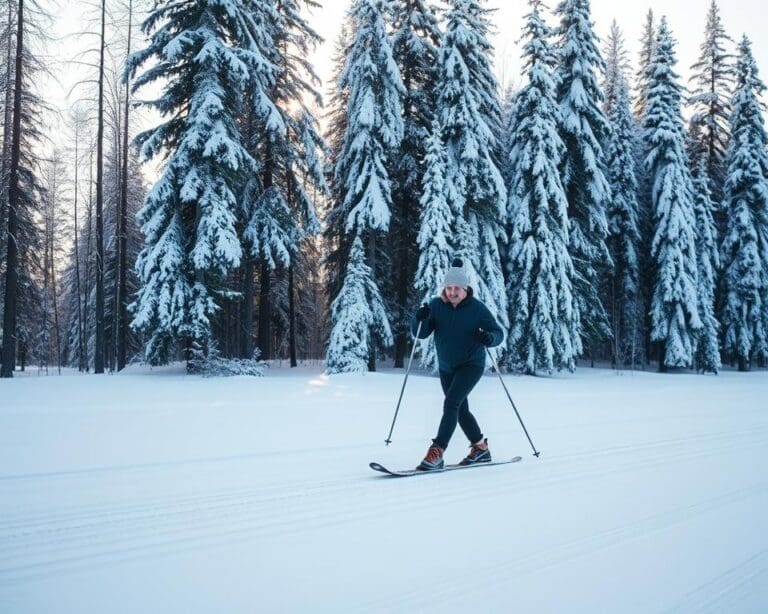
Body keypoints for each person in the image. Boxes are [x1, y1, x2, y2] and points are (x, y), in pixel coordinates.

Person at [411, 258, 504, 471]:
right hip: (447, 367)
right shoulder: (436, 305)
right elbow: (421, 334)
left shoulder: (477, 309)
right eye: (449, 288)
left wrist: (490, 338)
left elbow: (498, 333)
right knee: (460, 409)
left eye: (457, 288)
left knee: (451, 404)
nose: (452, 292)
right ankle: (481, 449)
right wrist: (419, 319)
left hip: (471, 365)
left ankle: (437, 451)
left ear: (465, 289)